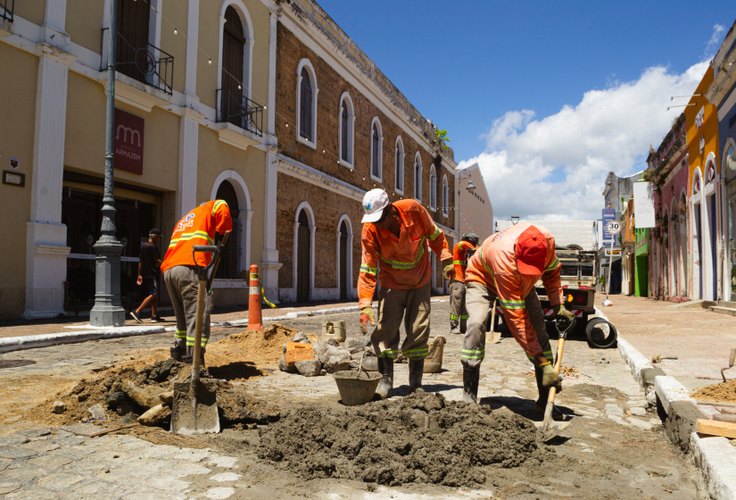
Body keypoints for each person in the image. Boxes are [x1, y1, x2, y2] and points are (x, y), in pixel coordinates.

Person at [461, 222, 575, 405]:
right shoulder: (504, 256)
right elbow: (517, 320)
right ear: (517, 251)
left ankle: (545, 400)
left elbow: (552, 274)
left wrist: (558, 305)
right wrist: (544, 364)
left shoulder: (547, 242)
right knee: (476, 324)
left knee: (540, 333)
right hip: (483, 277)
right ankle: (469, 396)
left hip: (522, 283)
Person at [358, 188, 453, 398]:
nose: (377, 224)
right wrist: (365, 305)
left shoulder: (413, 210)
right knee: (385, 329)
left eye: (380, 218)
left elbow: (435, 235)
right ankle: (385, 382)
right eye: (373, 220)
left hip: (420, 280)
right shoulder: (370, 230)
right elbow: (367, 268)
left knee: (419, 329)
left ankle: (415, 383)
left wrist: (446, 259)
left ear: (391, 210)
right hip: (391, 283)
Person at [161, 200, 232, 364]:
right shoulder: (210, 207)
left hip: (170, 271)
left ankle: (179, 351)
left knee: (182, 317)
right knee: (198, 314)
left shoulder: (185, 219)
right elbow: (222, 209)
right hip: (189, 268)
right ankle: (193, 360)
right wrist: (223, 229)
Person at [130, 228, 164, 323]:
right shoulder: (153, 247)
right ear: (155, 236)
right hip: (152, 274)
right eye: (158, 237)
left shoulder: (144, 246)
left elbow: (140, 262)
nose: (159, 239)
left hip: (145, 274)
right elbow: (157, 261)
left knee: (154, 296)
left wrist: (139, 274)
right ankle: (137, 311)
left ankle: (154, 315)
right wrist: (165, 265)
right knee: (153, 295)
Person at [449, 232, 480, 334]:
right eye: (474, 242)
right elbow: (466, 245)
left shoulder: (465, 252)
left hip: (463, 281)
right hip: (457, 280)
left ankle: (464, 327)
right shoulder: (460, 245)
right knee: (456, 304)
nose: (474, 244)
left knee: (464, 306)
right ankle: (454, 326)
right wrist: (479, 250)